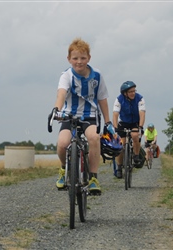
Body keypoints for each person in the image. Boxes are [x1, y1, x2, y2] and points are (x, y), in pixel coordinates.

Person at [49, 38, 115, 195]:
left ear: (89, 58)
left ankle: (93, 178)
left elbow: (102, 99)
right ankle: (64, 169)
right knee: (62, 143)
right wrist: (56, 110)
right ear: (69, 59)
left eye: (83, 58)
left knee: (94, 138)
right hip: (69, 115)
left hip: (89, 115)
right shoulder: (66, 76)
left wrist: (108, 122)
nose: (79, 62)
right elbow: (61, 94)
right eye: (75, 58)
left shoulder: (97, 76)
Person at [112, 81, 146, 179]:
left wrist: (140, 127)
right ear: (125, 93)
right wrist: (115, 127)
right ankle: (119, 167)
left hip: (135, 122)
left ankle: (136, 156)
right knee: (121, 144)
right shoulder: (119, 99)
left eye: (134, 91)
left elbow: (142, 113)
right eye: (130, 92)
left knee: (135, 135)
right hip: (123, 122)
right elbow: (115, 114)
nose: (133, 93)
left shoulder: (140, 98)